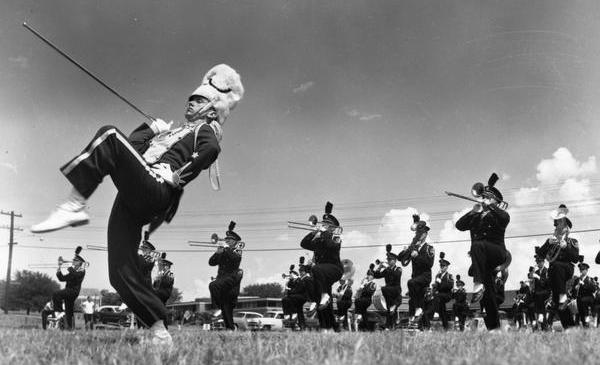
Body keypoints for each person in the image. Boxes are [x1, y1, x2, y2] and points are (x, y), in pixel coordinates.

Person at [31, 64, 243, 345]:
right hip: (136, 190)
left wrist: (179, 176)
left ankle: (74, 203)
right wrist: (150, 129)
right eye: (190, 99)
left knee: (108, 134)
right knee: (119, 271)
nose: (191, 103)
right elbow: (130, 148)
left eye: (199, 100)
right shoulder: (173, 132)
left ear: (213, 109)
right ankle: (158, 331)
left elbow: (211, 151)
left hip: (155, 188)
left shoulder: (204, 130)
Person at [455, 173, 510, 331]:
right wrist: (473, 211)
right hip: (482, 261)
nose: (483, 199)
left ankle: (477, 284)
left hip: (497, 253)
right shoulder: (477, 216)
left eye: (487, 197)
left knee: (477, 245)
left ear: (495, 201)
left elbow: (505, 218)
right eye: (483, 196)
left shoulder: (499, 214)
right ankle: (494, 328)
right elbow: (459, 225)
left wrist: (491, 206)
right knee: (488, 296)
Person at [300, 202, 343, 331]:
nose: (323, 226)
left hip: (334, 269)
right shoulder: (318, 240)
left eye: (326, 225)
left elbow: (332, 246)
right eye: (322, 224)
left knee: (317, 270)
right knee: (322, 302)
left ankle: (324, 295)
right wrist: (313, 233)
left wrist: (324, 234)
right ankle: (329, 327)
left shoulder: (336, 237)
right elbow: (303, 244)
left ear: (332, 227)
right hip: (322, 274)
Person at [535, 204, 580, 330]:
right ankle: (570, 328)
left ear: (567, 227)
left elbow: (575, 259)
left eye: (562, 224)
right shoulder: (552, 240)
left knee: (557, 266)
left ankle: (563, 297)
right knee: (557, 302)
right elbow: (540, 255)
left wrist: (566, 247)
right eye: (557, 224)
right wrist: (547, 243)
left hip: (566, 269)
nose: (559, 227)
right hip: (554, 272)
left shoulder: (572, 241)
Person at [398, 214, 434, 327]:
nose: (419, 235)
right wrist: (405, 252)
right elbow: (401, 259)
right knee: (415, 300)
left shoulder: (429, 248)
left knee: (411, 284)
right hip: (416, 277)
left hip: (425, 276)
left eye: (422, 233)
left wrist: (417, 256)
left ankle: (418, 311)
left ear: (425, 234)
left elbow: (429, 264)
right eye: (418, 233)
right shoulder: (414, 246)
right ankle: (422, 325)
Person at [208, 221, 244, 330]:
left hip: (231, 282)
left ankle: (216, 308)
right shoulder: (224, 251)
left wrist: (226, 248)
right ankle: (230, 329)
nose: (226, 241)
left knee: (213, 286)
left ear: (235, 241)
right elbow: (211, 262)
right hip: (222, 282)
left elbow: (235, 259)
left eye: (229, 240)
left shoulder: (237, 250)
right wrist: (217, 252)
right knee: (226, 309)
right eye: (226, 239)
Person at [52, 246, 86, 330]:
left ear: (80, 262)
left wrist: (69, 266)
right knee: (69, 311)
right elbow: (62, 278)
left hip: (73, 291)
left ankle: (59, 312)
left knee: (56, 294)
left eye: (75, 260)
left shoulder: (82, 271)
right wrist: (59, 268)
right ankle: (69, 328)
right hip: (69, 291)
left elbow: (75, 275)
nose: (73, 261)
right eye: (73, 260)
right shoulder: (73, 271)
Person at [373, 245, 402, 329]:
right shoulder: (387, 269)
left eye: (390, 260)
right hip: (388, 293)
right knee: (390, 309)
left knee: (384, 289)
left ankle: (395, 306)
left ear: (394, 260)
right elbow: (376, 275)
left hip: (395, 289)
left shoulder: (398, 269)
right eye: (388, 260)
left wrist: (387, 268)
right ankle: (390, 326)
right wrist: (380, 267)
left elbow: (397, 275)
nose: (388, 261)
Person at [433, 252, 454, 330]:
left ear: (447, 267)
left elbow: (450, 286)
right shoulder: (437, 276)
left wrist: (440, 285)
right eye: (441, 266)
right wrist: (434, 288)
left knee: (438, 297)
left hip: (447, 295)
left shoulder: (449, 276)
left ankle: (436, 312)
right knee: (442, 310)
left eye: (443, 266)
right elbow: (436, 286)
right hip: (439, 296)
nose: (442, 267)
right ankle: (446, 327)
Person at [354, 265, 377, 331]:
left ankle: (358, 314)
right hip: (363, 299)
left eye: (370, 275)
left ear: (372, 277)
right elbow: (359, 292)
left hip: (367, 299)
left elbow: (369, 291)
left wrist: (363, 287)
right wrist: (362, 285)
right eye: (368, 275)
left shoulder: (373, 284)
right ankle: (366, 327)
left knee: (358, 301)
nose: (368, 276)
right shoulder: (365, 284)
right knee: (364, 313)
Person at [531, 255, 550, 330]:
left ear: (543, 262)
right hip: (538, 295)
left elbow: (547, 283)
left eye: (540, 262)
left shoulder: (547, 271)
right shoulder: (536, 272)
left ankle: (545, 328)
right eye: (537, 262)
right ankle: (540, 327)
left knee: (543, 312)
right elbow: (535, 286)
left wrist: (538, 277)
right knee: (538, 312)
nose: (538, 264)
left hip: (545, 293)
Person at [574, 262, 596, 328]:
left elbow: (593, 289)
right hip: (579, 299)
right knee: (580, 313)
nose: (581, 271)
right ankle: (584, 324)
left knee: (585, 313)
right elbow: (573, 290)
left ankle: (586, 324)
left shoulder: (590, 279)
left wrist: (583, 284)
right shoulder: (577, 279)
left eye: (583, 269)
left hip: (586, 299)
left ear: (586, 270)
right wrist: (575, 288)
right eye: (580, 269)